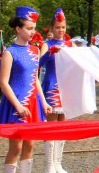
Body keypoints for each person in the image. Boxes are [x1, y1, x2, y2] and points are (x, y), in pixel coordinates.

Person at [0, 6, 52, 173]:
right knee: (16, 147)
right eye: (28, 28)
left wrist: (44, 101)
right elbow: (4, 83)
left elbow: (35, 78)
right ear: (18, 29)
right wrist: (18, 106)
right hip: (16, 103)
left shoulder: (35, 50)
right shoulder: (10, 52)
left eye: (33, 28)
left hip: (33, 103)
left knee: (30, 145)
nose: (32, 32)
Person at [39, 9, 73, 173]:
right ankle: (49, 165)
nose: (61, 30)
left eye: (63, 27)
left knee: (62, 126)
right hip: (51, 86)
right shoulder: (47, 44)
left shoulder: (69, 44)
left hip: (65, 87)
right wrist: (50, 52)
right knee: (51, 126)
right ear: (51, 28)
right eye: (58, 27)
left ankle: (58, 163)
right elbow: (39, 63)